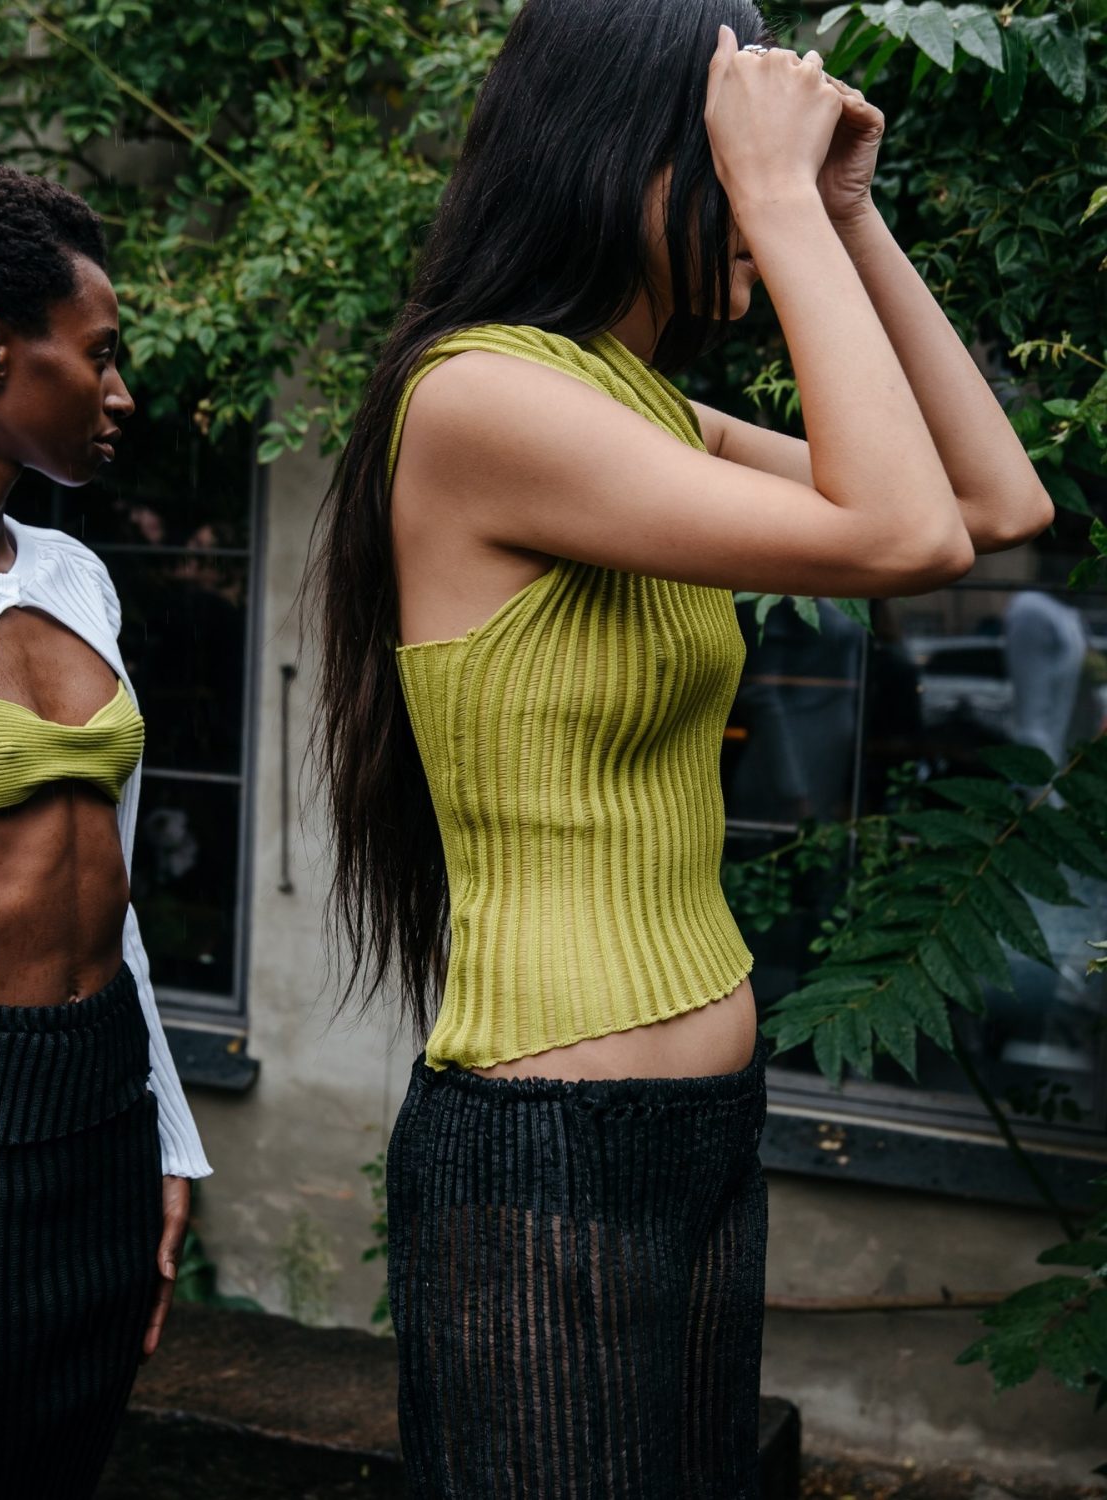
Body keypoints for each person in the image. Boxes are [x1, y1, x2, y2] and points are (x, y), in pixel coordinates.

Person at [313, 0, 1054, 1493]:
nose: (741, 195)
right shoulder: (480, 399)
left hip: (701, 1125)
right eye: (716, 159)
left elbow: (994, 511)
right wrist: (779, 201)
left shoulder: (646, 415)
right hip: (547, 1152)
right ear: (616, 151)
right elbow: (901, 535)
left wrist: (842, 214)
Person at [0, 164, 211, 1496]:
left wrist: (170, 1137)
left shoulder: (76, 574)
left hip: (101, 1121)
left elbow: (117, 896)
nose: (120, 392)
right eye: (97, 355)